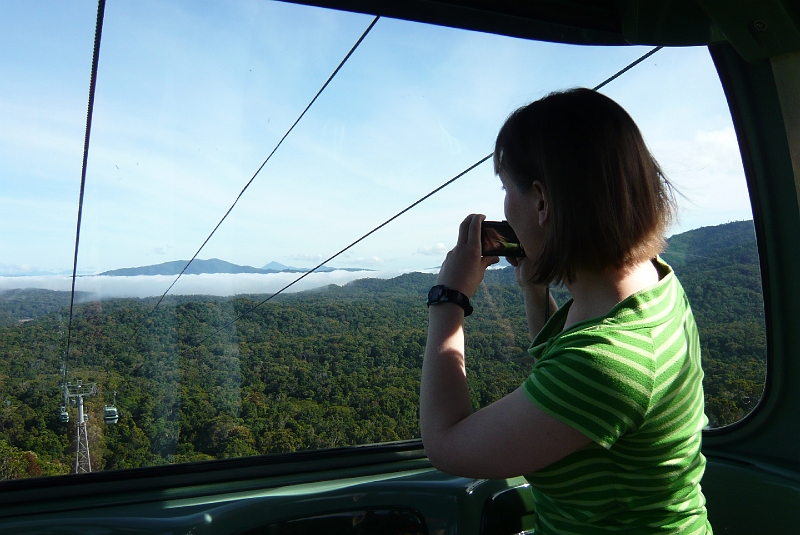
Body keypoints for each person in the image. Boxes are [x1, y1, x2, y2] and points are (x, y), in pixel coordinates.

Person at [420, 88, 711, 534]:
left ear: (541, 202)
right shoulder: (652, 285)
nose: (505, 207)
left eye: (506, 188)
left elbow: (446, 444)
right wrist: (535, 292)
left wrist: (449, 298)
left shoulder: (610, 360)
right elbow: (565, 368)